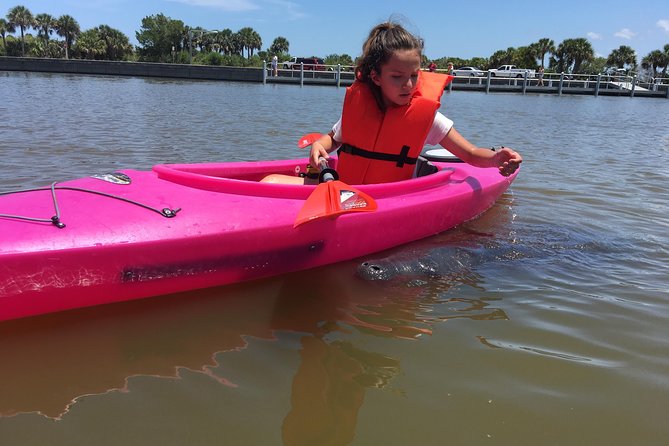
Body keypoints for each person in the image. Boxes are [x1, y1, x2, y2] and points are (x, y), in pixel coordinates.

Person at [309, 21, 522, 185]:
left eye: (413, 75)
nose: (408, 84)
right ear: (376, 77)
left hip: (393, 198)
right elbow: (333, 139)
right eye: (397, 76)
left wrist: (495, 159)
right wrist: (319, 145)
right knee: (273, 181)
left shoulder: (428, 119)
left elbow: (471, 154)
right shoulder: (362, 109)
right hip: (346, 191)